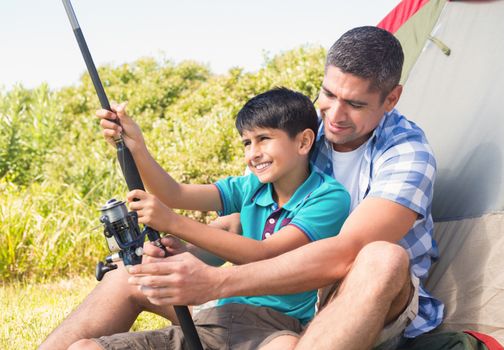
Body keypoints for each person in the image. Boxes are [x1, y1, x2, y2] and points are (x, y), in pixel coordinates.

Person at [41, 26, 443, 350]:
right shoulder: (304, 134)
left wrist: (214, 279)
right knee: (126, 277)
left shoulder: (407, 153)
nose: (334, 117)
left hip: (349, 299)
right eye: (328, 95)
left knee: (382, 257)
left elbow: (344, 253)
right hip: (259, 303)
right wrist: (135, 148)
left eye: (354, 104)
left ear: (391, 98)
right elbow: (235, 211)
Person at [67, 87, 350, 349]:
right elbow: (174, 193)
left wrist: (173, 222)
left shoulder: (328, 197)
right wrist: (136, 145)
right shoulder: (250, 186)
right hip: (213, 320)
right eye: (246, 143)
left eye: (264, 139)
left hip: (274, 329)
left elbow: (266, 255)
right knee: (84, 348)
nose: (253, 153)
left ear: (303, 142)